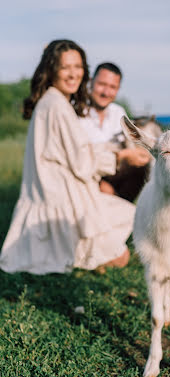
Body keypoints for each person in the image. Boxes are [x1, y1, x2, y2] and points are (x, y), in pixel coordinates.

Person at [0, 40, 135, 275]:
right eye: (65, 67)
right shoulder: (56, 106)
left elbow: (77, 154)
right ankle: (83, 258)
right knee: (123, 251)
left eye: (78, 66)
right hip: (63, 199)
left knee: (127, 213)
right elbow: (82, 164)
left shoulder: (54, 102)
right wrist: (120, 156)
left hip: (60, 192)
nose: (73, 74)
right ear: (51, 69)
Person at [78, 62, 151, 202]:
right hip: (86, 179)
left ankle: (124, 207)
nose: (106, 92)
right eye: (102, 84)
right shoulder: (75, 113)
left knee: (146, 167)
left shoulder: (118, 113)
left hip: (115, 178)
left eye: (112, 87)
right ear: (91, 82)